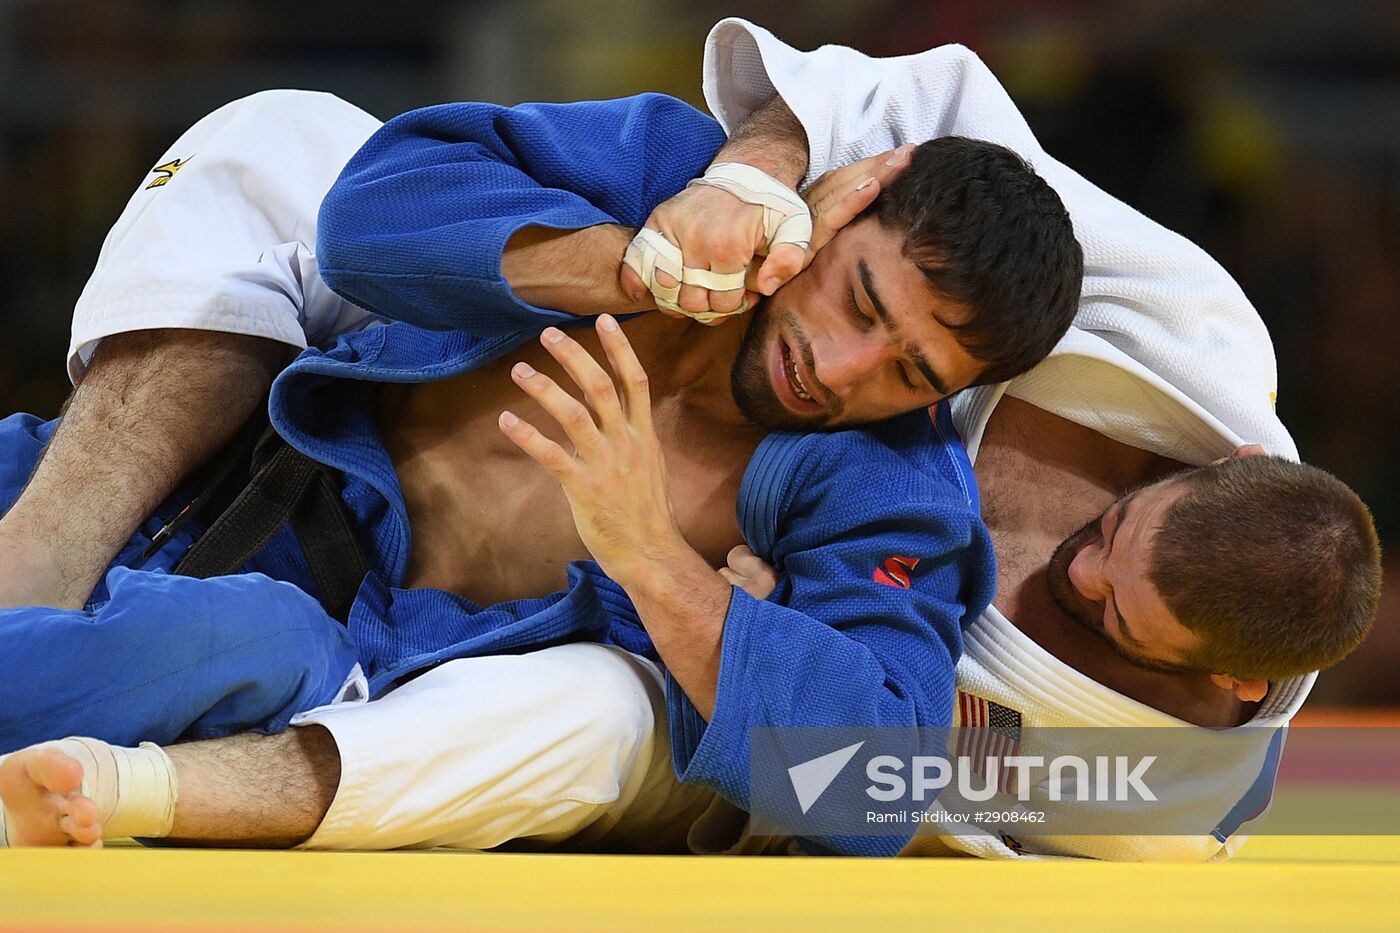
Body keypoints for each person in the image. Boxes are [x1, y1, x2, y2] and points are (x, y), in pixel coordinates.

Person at [0, 20, 1383, 861]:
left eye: (1114, 618)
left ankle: (167, 783)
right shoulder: (1194, 332)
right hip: (360, 430)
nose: (1076, 575)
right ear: (1237, 462)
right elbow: (913, 125)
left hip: (680, 660)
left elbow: (870, 778)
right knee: (282, 137)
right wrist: (726, 195)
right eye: (1108, 537)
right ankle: (44, 555)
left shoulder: (1158, 780)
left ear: (1217, 687)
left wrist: (672, 579)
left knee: (588, 724)